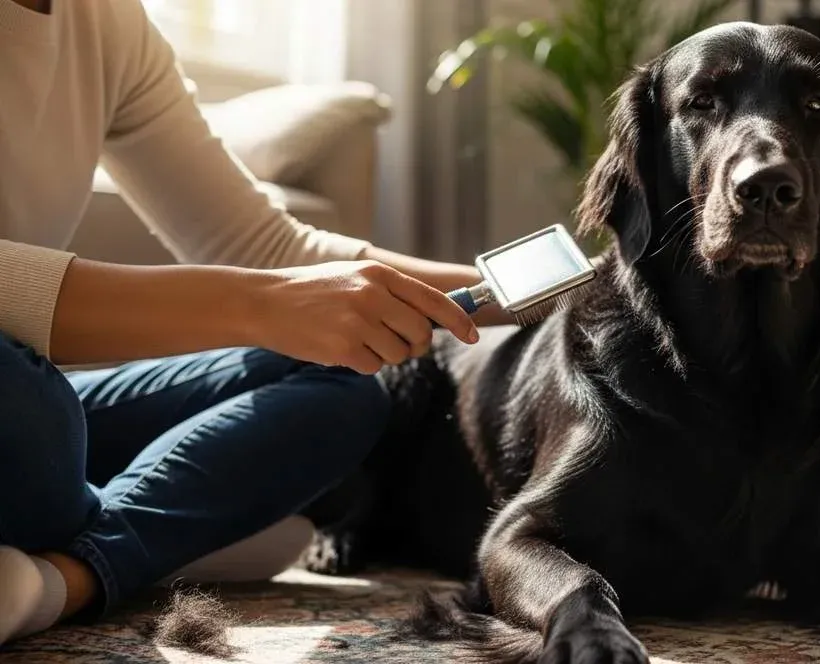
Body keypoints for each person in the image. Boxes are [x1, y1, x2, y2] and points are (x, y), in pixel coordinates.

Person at [0, 0, 511, 646]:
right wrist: (260, 304)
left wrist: (528, 293)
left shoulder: (107, 23)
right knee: (33, 423)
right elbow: (266, 284)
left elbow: (264, 246)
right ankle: (174, 528)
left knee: (341, 382)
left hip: (40, 398)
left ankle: (57, 580)